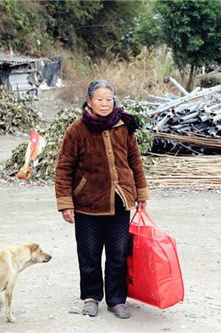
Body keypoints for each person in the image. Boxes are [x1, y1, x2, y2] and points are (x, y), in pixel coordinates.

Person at [55, 80, 149, 319]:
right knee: (89, 253)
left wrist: (141, 193)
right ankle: (91, 296)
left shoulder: (124, 126)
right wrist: (66, 203)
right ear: (89, 102)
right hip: (88, 203)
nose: (105, 104)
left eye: (109, 99)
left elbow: (135, 162)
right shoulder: (77, 130)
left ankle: (116, 300)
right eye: (100, 99)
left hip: (120, 201)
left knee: (118, 252)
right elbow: (64, 167)